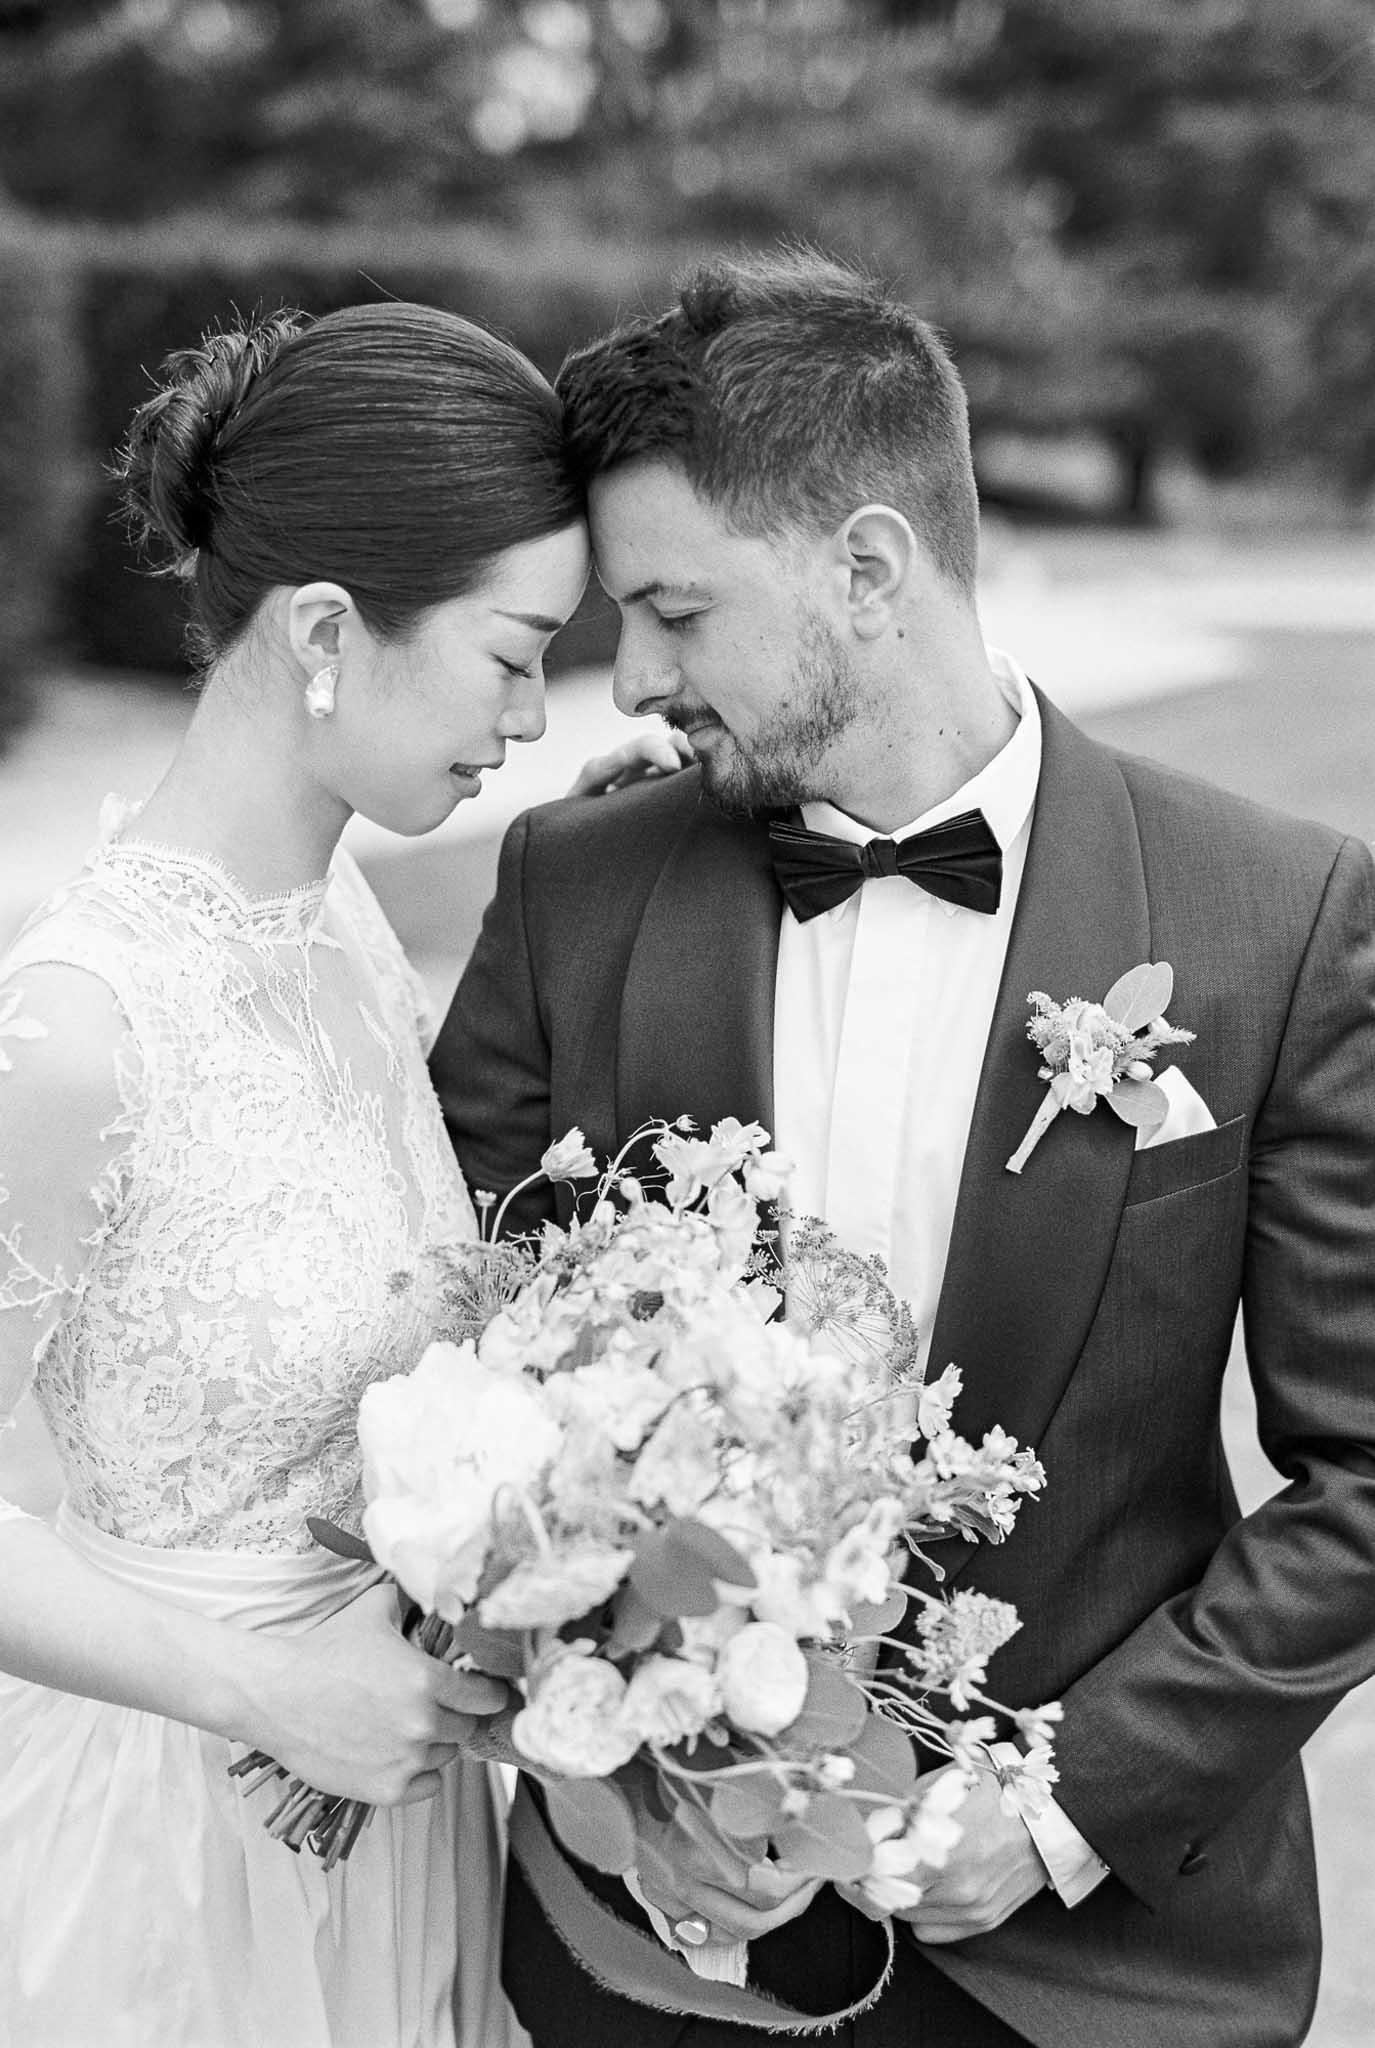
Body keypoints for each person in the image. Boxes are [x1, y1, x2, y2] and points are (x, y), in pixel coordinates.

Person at [432, 249, 1375, 2048]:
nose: (627, 677)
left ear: (866, 567)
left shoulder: (1278, 914)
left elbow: (1370, 1471)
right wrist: (612, 1776)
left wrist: (1066, 1803)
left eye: (675, 612)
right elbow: (437, 1360)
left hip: (1098, 1968)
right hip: (649, 1950)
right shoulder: (576, 887)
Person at [0, 299, 683, 2048]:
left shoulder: (345, 925)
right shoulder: (75, 1026)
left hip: (390, 1825)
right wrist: (270, 1687)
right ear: (323, 629)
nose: (534, 716)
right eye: (513, 653)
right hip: (176, 1857)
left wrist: (634, 868)